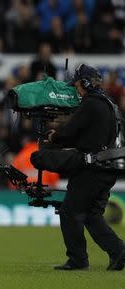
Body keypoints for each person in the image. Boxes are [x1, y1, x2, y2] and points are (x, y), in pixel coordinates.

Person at [48, 64, 125, 271]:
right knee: (91, 215)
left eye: (77, 84)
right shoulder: (110, 104)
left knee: (69, 212)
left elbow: (70, 132)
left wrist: (55, 136)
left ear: (85, 83)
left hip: (92, 168)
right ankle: (118, 252)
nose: (76, 89)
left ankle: (78, 260)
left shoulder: (90, 104)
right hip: (110, 168)